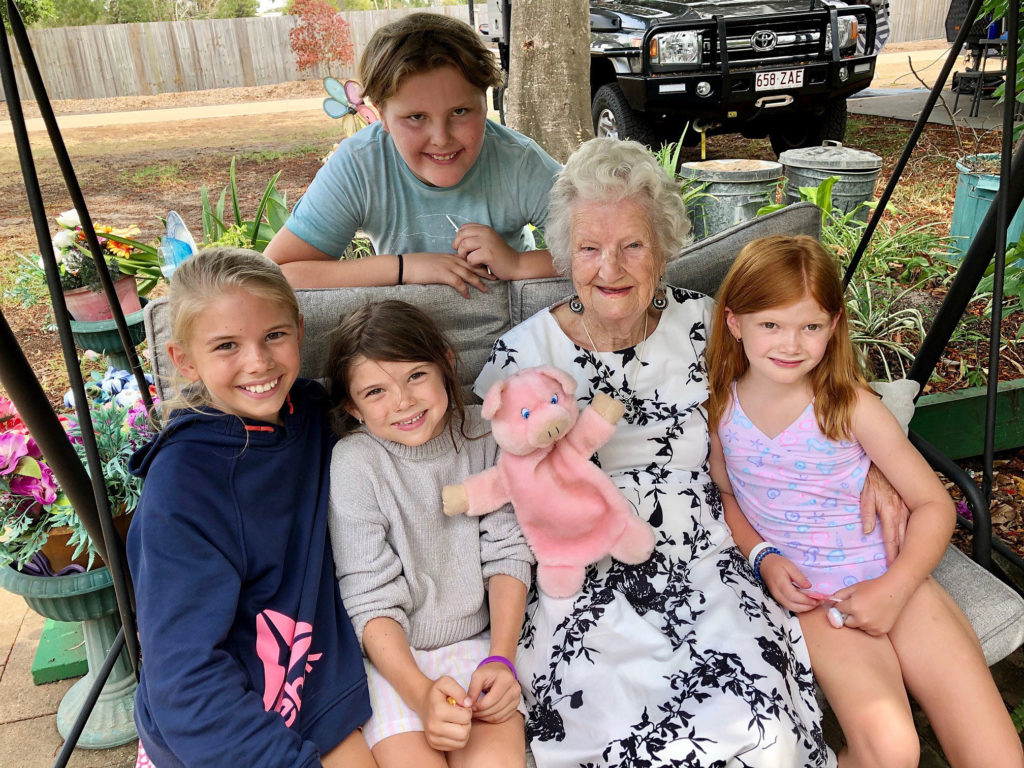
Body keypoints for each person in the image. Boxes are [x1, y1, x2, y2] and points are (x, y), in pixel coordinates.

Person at [475, 137, 838, 766]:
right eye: (589, 248)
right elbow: (481, 482)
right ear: (566, 255)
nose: (609, 268)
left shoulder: (707, 326)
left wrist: (878, 472)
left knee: (760, 735)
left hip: (710, 563)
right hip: (585, 577)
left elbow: (803, 402)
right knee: (621, 736)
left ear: (664, 248)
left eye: (632, 245)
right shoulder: (521, 358)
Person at [705, 235, 1023, 768]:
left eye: (810, 326)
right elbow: (727, 496)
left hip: (898, 577)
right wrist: (763, 557)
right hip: (818, 597)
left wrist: (894, 590)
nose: (791, 344)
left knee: (998, 756)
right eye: (771, 325)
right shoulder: (721, 409)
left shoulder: (849, 406)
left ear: (833, 326)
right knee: (892, 751)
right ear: (735, 323)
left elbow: (933, 505)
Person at [126, 248, 374, 768]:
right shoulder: (181, 488)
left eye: (274, 336)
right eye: (226, 346)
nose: (258, 362)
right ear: (185, 360)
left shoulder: (311, 414)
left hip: (312, 687)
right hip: (224, 729)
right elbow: (184, 678)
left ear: (300, 332)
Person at [324, 300, 534, 768]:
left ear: (446, 363)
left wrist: (501, 660)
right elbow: (368, 596)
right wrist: (420, 696)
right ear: (352, 408)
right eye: (375, 391)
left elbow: (509, 553)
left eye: (416, 375)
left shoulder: (487, 435)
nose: (403, 400)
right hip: (395, 664)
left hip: (481, 648)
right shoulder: (356, 462)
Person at [265, 13, 561, 297]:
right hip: (406, 335)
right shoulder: (360, 166)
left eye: (459, 112)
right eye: (416, 117)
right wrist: (404, 267)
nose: (442, 138)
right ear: (381, 115)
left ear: (485, 102)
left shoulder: (519, 162)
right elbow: (276, 274)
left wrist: (518, 263)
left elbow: (603, 255)